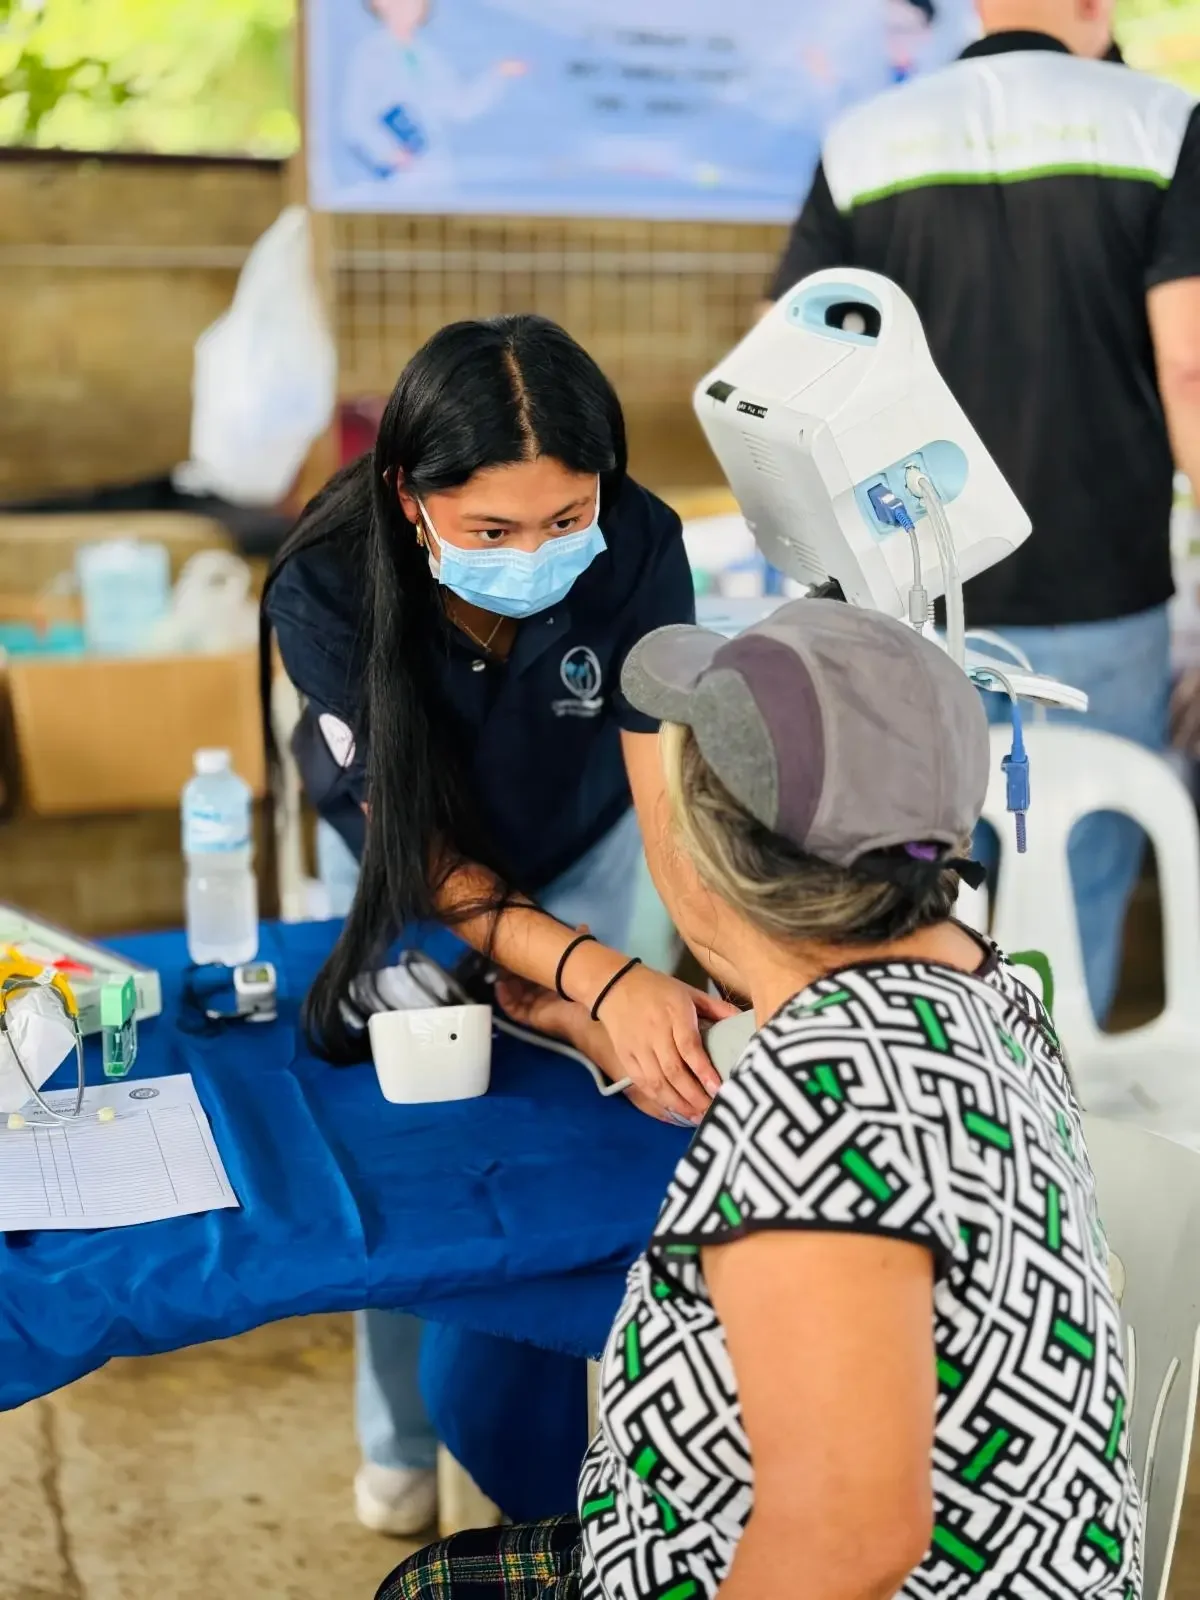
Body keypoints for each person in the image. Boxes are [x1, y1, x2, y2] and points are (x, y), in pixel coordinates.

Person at [377, 600, 1141, 1600]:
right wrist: (593, 1018)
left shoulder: (820, 1111)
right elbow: (890, 1133)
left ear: (717, 860)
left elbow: (850, 1541)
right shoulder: (983, 981)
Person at [261, 314, 734, 1536]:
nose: (535, 552)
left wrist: (681, 966)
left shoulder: (637, 547)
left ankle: (538, 1419)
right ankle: (402, 1438)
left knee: (576, 1120)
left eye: (563, 518)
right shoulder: (324, 582)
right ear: (406, 497)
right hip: (398, 864)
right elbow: (419, 858)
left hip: (584, 844)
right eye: (490, 531)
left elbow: (662, 789)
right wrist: (586, 970)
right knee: (399, 1140)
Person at [763, 0, 1200, 1026]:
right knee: (1078, 896)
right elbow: (1189, 363)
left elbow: (794, 368)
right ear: (1092, 6)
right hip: (1106, 599)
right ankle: (1058, 1141)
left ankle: (949, 1142)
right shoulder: (1161, 123)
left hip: (915, 609)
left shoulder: (868, 139)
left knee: (917, 900)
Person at [341, 0, 526, 189]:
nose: (410, 6)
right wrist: (388, 152)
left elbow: (460, 106)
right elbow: (355, 119)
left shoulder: (428, 55)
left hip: (435, 175)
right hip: (395, 181)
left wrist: (496, 76)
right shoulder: (370, 54)